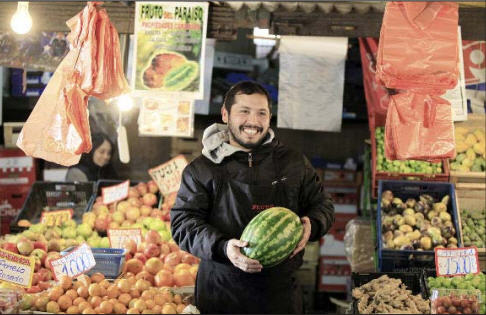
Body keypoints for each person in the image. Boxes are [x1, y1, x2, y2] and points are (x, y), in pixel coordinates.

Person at [171, 81, 335, 314]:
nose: (254, 122)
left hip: (280, 295)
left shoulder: (293, 162)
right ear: (226, 114)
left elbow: (323, 204)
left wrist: (314, 224)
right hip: (221, 292)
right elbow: (183, 224)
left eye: (261, 113)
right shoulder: (202, 169)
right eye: (244, 111)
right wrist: (223, 246)